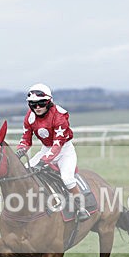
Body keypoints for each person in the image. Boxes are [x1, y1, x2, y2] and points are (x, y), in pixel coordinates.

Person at [15, 83, 90, 221]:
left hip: (64, 151)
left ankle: (81, 208)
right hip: (46, 149)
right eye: (33, 104)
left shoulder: (59, 116)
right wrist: (19, 152)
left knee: (67, 179)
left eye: (41, 103)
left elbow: (57, 145)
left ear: (49, 102)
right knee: (24, 173)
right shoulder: (29, 117)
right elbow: (26, 139)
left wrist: (43, 161)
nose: (37, 107)